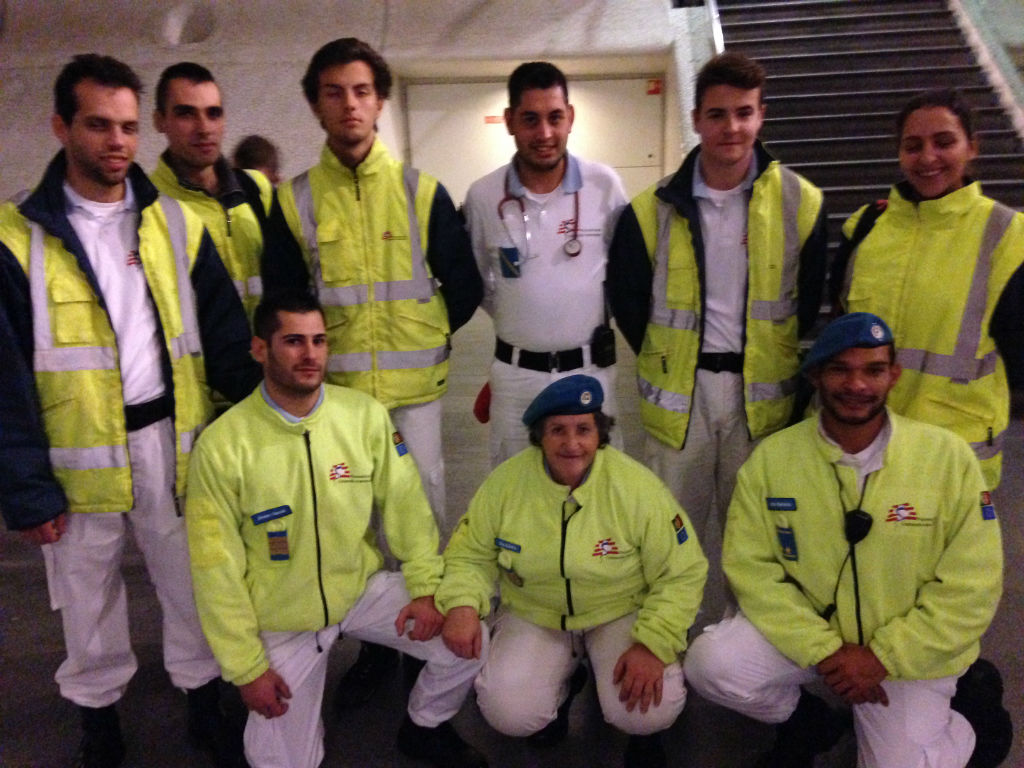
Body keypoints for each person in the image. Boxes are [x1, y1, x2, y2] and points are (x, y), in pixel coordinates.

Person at [0, 54, 261, 768]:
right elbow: (6, 379)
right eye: (97, 125)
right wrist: (26, 488)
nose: (116, 142)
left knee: (192, 581)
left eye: (126, 126)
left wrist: (265, 424)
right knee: (86, 599)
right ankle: (98, 720)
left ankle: (202, 703)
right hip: (75, 457)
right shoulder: (16, 237)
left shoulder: (174, 224)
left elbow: (225, 340)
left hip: (170, 443)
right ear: (61, 127)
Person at [684, 313, 1010, 768]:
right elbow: (752, 572)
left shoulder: (947, 458)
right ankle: (810, 722)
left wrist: (882, 656)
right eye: (840, 369)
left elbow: (973, 585)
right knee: (711, 664)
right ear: (815, 375)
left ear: (893, 375)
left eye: (873, 370)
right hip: (815, 641)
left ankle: (968, 718)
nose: (857, 384)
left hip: (906, 655)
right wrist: (825, 650)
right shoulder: (772, 461)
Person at [264, 36, 483, 704]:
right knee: (351, 526)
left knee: (423, 520)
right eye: (334, 93)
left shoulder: (421, 192)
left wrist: (428, 335)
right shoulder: (296, 201)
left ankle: (424, 643)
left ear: (380, 101)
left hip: (415, 396)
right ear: (316, 105)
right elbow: (283, 300)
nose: (350, 105)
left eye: (361, 91)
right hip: (338, 401)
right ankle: (374, 647)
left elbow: (464, 285)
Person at [184, 292, 488, 768]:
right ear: (260, 349)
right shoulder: (223, 446)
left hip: (359, 590)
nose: (310, 354)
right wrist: (247, 669)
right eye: (294, 341)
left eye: (319, 340)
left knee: (469, 636)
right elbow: (214, 570)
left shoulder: (363, 416)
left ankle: (424, 727)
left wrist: (427, 589)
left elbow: (407, 508)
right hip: (283, 618)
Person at [607, 52, 827, 595]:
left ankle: (743, 636)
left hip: (761, 399)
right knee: (669, 533)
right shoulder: (650, 209)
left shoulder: (802, 203)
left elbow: (808, 303)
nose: (732, 127)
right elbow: (629, 302)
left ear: (761, 115)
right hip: (682, 398)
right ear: (697, 119)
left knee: (753, 537)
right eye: (718, 114)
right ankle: (668, 635)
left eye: (744, 112)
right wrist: (667, 356)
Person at [437, 375, 708, 768]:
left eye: (583, 429)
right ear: (539, 436)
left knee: (649, 711)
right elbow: (469, 554)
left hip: (619, 611)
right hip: (536, 611)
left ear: (600, 433)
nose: (572, 443)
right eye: (557, 430)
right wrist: (462, 604)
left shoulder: (637, 488)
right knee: (508, 712)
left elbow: (682, 571)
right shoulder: (505, 485)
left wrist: (654, 644)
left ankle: (641, 732)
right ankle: (565, 685)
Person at [831, 88, 1024, 490]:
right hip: (861, 446)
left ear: (972, 147)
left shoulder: (1008, 236)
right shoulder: (866, 227)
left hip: (952, 457)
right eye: (913, 146)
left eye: (944, 142)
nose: (928, 157)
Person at [462, 61, 627, 466]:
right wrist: (517, 309)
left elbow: (627, 273)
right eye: (530, 119)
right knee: (514, 484)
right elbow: (474, 280)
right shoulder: (484, 196)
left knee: (597, 482)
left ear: (570, 117)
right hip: (516, 376)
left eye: (555, 118)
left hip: (589, 371)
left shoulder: (603, 185)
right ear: (509, 121)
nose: (545, 133)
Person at [152, 62, 273, 322]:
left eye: (213, 113)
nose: (204, 128)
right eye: (186, 114)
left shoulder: (255, 188)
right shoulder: (149, 205)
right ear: (159, 121)